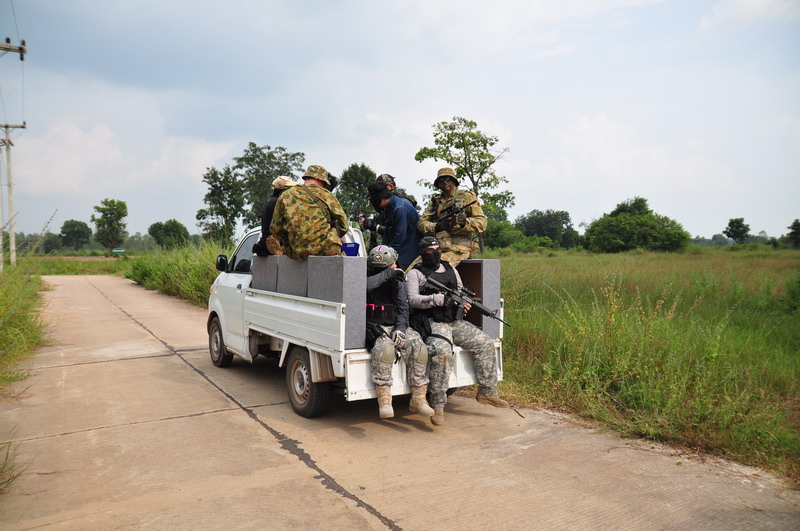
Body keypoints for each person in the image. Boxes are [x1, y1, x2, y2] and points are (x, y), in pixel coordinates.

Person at [407, 237, 508, 426]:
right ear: (422, 252)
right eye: (431, 250)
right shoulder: (415, 273)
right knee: (443, 353)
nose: (435, 253)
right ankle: (438, 405)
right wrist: (437, 299)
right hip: (433, 322)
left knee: (485, 342)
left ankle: (487, 392)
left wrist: (463, 303)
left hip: (454, 320)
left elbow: (460, 291)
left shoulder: (450, 269)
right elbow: (412, 299)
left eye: (437, 249)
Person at [366, 245, 434, 419]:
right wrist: (388, 273)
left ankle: (418, 398)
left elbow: (403, 308)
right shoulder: (366, 276)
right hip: (374, 326)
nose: (396, 267)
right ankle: (385, 401)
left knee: (419, 347)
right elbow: (365, 286)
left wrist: (401, 329)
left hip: (395, 325)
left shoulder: (398, 280)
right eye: (392, 265)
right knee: (385, 349)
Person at [270, 165, 349, 261]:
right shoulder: (326, 195)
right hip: (325, 251)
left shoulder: (285, 195)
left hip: (295, 253)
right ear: (321, 180)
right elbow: (344, 225)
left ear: (306, 178)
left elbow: (275, 229)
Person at [417, 167, 486, 268]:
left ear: (454, 181)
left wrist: (465, 222)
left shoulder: (467, 197)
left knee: (435, 269)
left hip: (461, 248)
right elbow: (421, 223)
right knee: (414, 270)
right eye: (441, 180)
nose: (445, 182)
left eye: (448, 179)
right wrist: (437, 226)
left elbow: (482, 223)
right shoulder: (435, 201)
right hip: (439, 247)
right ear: (438, 184)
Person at [367, 180, 422, 270]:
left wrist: (387, 255)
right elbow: (388, 232)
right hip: (399, 251)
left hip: (408, 253)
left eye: (373, 201)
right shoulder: (388, 208)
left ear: (380, 198)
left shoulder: (400, 209)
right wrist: (381, 251)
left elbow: (399, 236)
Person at [253, 176, 298, 257]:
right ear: (283, 190)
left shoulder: (272, 201)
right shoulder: (277, 202)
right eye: (290, 188)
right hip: (274, 247)